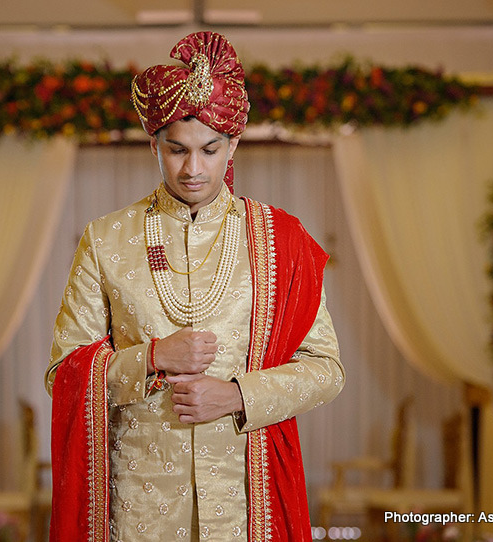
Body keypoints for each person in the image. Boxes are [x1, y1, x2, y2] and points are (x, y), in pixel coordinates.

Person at [46, 31, 344, 542]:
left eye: (210, 149)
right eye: (176, 149)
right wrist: (153, 356)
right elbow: (63, 373)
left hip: (246, 505)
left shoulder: (279, 239)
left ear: (233, 144)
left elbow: (326, 369)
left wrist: (237, 396)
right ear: (154, 145)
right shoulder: (106, 239)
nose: (193, 169)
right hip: (137, 510)